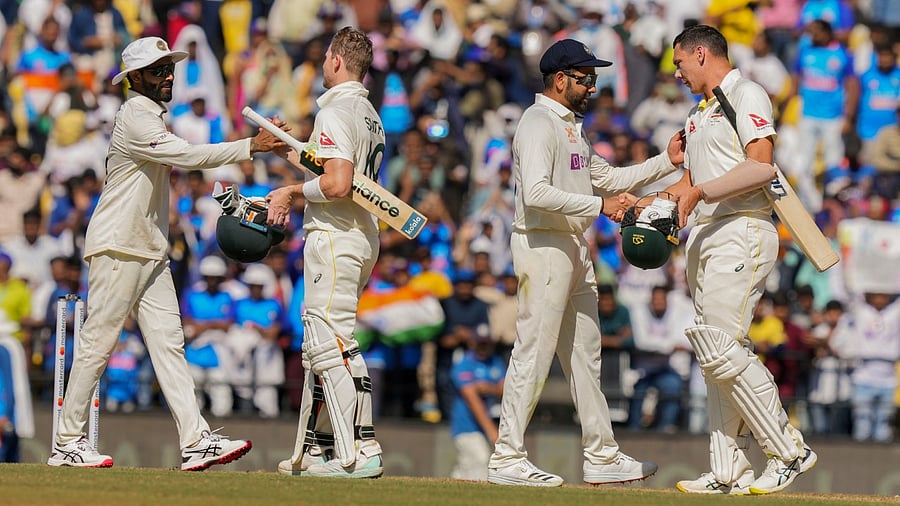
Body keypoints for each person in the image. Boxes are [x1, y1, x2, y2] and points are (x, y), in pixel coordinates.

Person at [47, 36, 287, 470]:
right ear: (134, 78)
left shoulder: (152, 115)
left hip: (149, 248)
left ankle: (195, 441)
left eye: (169, 68)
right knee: (98, 343)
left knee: (169, 345)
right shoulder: (135, 115)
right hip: (119, 244)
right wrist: (251, 146)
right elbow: (189, 155)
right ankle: (66, 443)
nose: (168, 75)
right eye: (158, 70)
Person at [487, 38, 685, 488]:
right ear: (560, 80)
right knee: (533, 352)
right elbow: (535, 194)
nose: (593, 86)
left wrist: (664, 162)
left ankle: (601, 455)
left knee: (585, 356)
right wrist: (600, 207)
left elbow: (608, 179)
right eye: (586, 78)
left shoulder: (571, 126)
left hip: (573, 248)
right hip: (544, 247)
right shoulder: (538, 123)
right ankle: (506, 456)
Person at [664, 24, 816, 495]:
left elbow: (761, 165)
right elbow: (685, 187)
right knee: (714, 353)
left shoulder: (747, 92)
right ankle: (728, 470)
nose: (677, 73)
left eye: (680, 63)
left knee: (721, 345)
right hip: (705, 234)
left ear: (702, 54)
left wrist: (699, 193)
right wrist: (640, 203)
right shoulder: (696, 113)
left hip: (744, 227)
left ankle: (789, 450)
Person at [266, 27, 386, 479]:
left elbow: (335, 185)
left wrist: (289, 192)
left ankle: (359, 450)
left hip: (335, 235)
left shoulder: (335, 111)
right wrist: (287, 152)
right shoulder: (368, 113)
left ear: (335, 60)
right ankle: (318, 449)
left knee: (330, 341)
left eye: (324, 59)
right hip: (358, 235)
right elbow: (337, 172)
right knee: (321, 345)